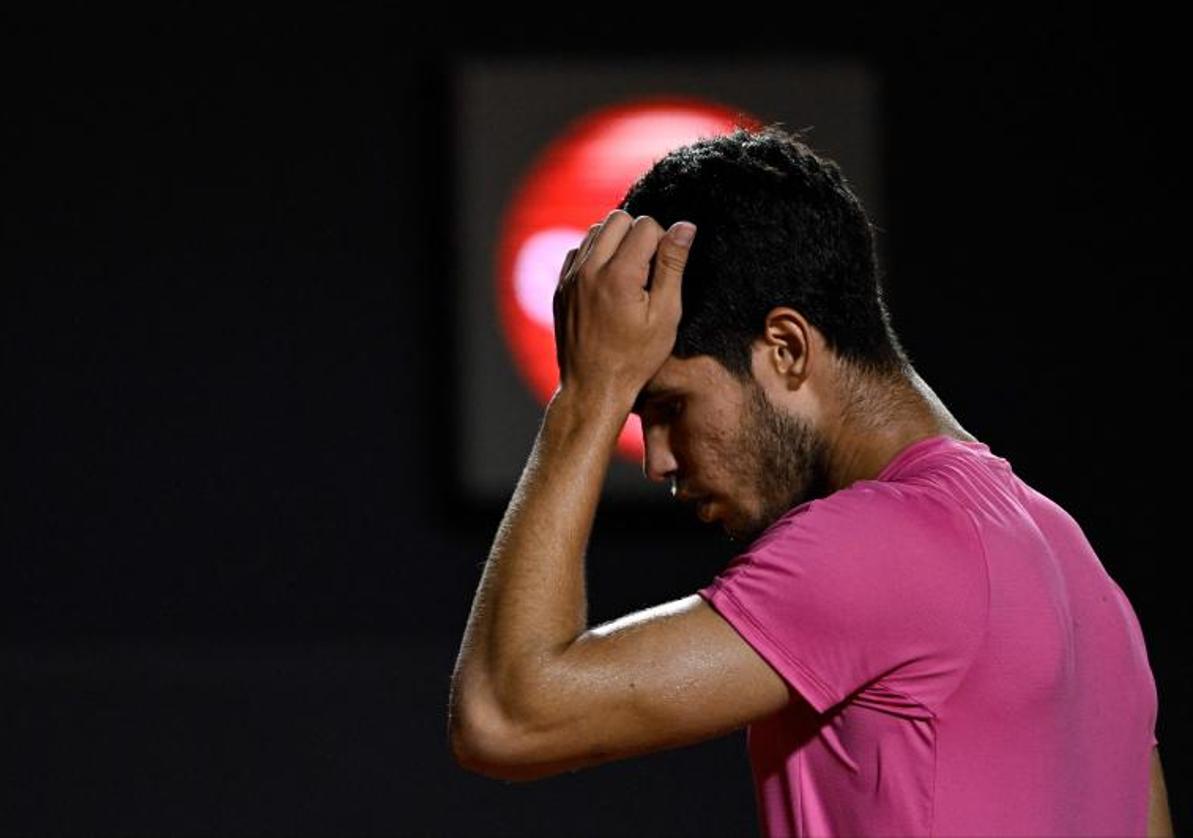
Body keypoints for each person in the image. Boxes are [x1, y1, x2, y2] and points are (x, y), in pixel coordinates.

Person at [447, 124, 1172, 837]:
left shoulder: (875, 541)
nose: (658, 459)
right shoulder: (1081, 572)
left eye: (667, 406)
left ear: (787, 348)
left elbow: (505, 718)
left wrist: (589, 395)